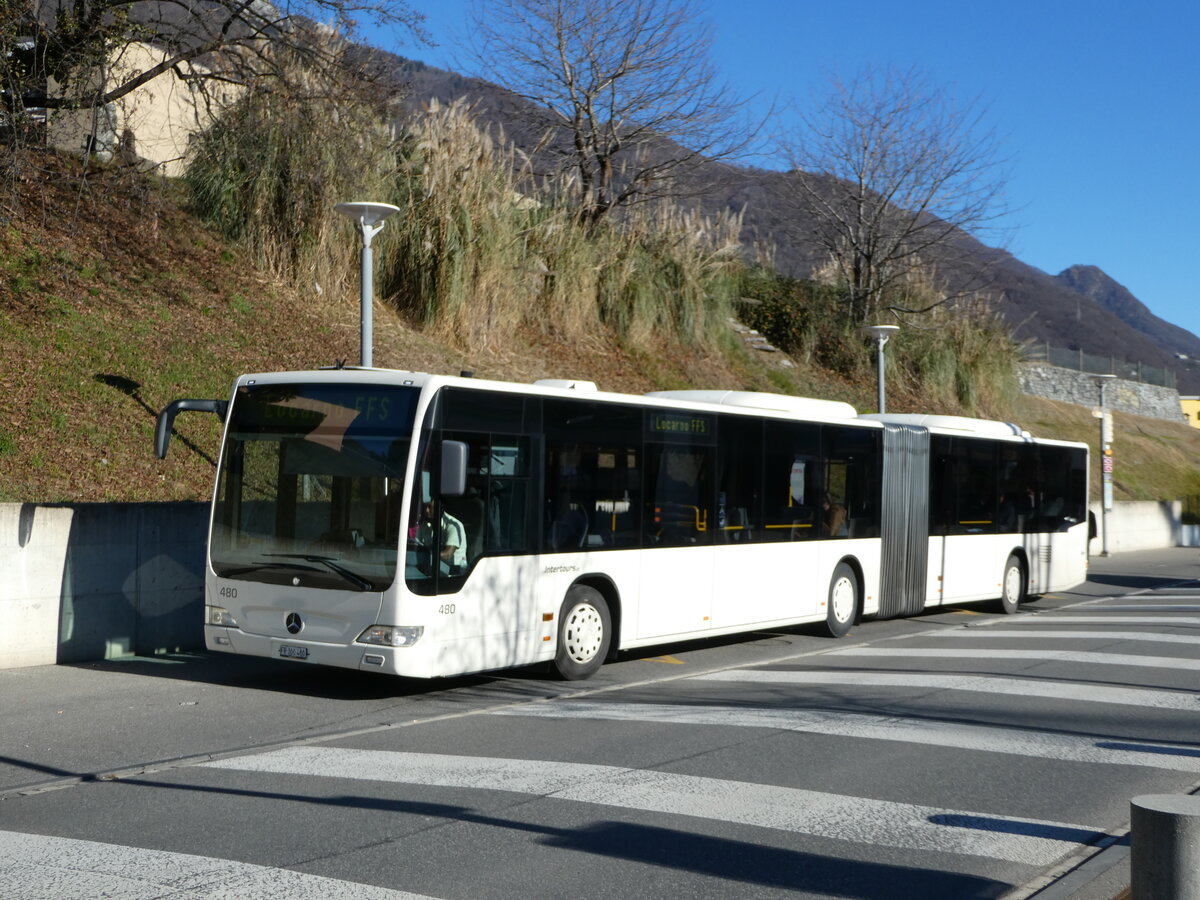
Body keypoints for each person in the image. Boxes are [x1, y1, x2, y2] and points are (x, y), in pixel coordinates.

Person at [417, 501, 467, 572]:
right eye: (425, 507)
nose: (426, 510)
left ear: (440, 508)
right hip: (432, 570)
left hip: (453, 574)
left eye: (430, 507)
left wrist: (425, 555)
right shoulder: (424, 526)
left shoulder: (453, 525)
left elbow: (447, 555)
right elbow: (419, 545)